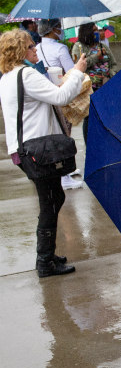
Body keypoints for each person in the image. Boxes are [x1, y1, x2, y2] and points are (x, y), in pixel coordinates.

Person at [0, 29, 88, 277]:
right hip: (36, 151)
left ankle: (47, 255)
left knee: (54, 197)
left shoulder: (9, 76)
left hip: (24, 150)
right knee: (49, 202)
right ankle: (45, 262)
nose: (35, 49)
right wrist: (78, 71)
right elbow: (61, 96)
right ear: (19, 51)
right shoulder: (26, 75)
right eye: (30, 46)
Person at [36, 18, 82, 190]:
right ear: (52, 30)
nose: (60, 30)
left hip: (43, 94)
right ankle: (65, 175)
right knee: (64, 133)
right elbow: (72, 71)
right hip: (60, 92)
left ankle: (62, 171)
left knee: (53, 133)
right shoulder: (60, 48)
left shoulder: (36, 47)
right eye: (58, 27)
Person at [71, 22, 116, 145]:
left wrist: (109, 75)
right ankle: (90, 146)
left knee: (104, 117)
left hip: (104, 87)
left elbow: (113, 63)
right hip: (88, 88)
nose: (98, 32)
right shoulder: (78, 47)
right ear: (87, 32)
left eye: (98, 30)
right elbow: (80, 66)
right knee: (90, 118)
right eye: (94, 30)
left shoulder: (102, 46)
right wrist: (96, 56)